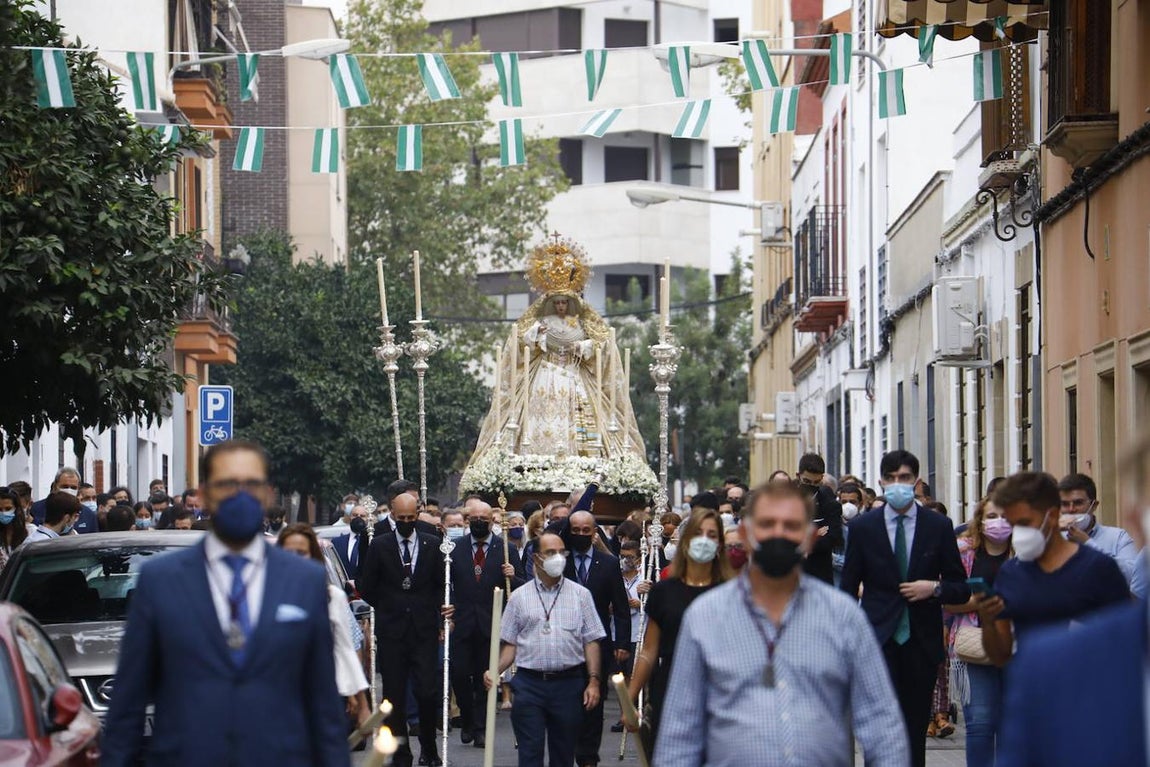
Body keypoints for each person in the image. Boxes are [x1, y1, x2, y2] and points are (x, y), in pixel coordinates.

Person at [101, 439, 348, 767]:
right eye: (227, 483)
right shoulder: (160, 580)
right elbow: (127, 705)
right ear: (203, 495)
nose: (239, 494)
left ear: (268, 493)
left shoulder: (304, 580)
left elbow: (323, 703)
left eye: (251, 484)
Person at [656, 482, 910, 766]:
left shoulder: (843, 617)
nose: (778, 534)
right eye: (767, 524)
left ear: (809, 538)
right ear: (745, 534)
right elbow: (680, 731)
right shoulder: (705, 617)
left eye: (791, 525)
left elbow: (882, 725)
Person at [840, 449, 971, 767]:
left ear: (916, 481)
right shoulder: (863, 528)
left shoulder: (938, 526)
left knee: (914, 732)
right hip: (878, 642)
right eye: (893, 479)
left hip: (921, 642)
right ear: (882, 482)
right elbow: (846, 589)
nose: (899, 484)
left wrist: (934, 588)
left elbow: (959, 586)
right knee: (878, 730)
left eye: (906, 478)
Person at [467, 239, 645, 462]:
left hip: (575, 375)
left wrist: (582, 346)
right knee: (537, 419)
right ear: (551, 302)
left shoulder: (582, 322)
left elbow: (602, 344)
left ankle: (580, 457)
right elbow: (520, 341)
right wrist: (537, 335)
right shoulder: (542, 321)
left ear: (571, 302)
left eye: (564, 302)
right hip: (545, 373)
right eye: (557, 302)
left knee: (583, 419)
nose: (561, 306)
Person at [976, 471, 1129, 667]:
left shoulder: (1098, 569)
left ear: (1053, 516)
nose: (1018, 532)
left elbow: (1126, 643)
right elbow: (1001, 656)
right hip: (1029, 689)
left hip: (1084, 688)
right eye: (1012, 524)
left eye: (1024, 522)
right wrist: (988, 622)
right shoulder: (1010, 573)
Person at [483, 532, 604, 767]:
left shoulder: (581, 596)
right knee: (530, 752)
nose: (558, 557)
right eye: (551, 553)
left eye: (562, 552)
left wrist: (594, 681)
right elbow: (510, 644)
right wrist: (494, 670)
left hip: (568, 684)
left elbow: (592, 641)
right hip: (530, 685)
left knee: (563, 754)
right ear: (536, 557)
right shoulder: (518, 597)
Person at [358, 492, 452, 767]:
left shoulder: (432, 543)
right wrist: (389, 606)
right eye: (402, 519)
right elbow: (367, 585)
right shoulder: (380, 545)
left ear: (418, 514)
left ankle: (429, 748)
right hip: (392, 631)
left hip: (424, 629)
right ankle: (401, 752)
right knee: (394, 695)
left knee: (427, 691)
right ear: (394, 517)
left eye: (412, 518)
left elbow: (441, 583)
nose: (407, 522)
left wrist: (439, 608)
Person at [626, 508, 730, 749]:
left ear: (720, 544)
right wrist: (630, 697)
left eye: (711, 535)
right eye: (697, 533)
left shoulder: (730, 591)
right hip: (672, 685)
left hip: (718, 690)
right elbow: (649, 650)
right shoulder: (665, 591)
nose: (704, 540)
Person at [549, 510, 630, 767]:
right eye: (576, 531)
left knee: (593, 703)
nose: (581, 535)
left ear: (594, 532)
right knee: (567, 701)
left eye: (587, 530)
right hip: (564, 644)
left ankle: (588, 757)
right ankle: (567, 750)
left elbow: (620, 607)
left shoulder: (608, 563)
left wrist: (622, 644)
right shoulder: (559, 562)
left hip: (599, 644)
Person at [277, 524, 370, 731]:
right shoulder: (266, 596)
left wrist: (362, 703)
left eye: (301, 553)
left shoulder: (332, 597)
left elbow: (346, 649)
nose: (295, 559)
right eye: (288, 553)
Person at [941, 498, 1012, 766]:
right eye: (992, 516)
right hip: (975, 644)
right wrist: (980, 602)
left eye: (1005, 515)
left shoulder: (1026, 552)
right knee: (980, 722)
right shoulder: (963, 553)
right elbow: (947, 598)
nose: (998, 522)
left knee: (1013, 723)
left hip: (1018, 645)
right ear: (980, 521)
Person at [449, 499, 523, 748]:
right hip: (461, 623)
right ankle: (467, 718)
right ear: (468, 521)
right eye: (475, 519)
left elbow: (522, 586)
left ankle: (480, 728)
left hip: (492, 623)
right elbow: (443, 583)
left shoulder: (506, 550)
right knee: (459, 674)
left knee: (485, 677)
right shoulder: (455, 548)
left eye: (485, 518)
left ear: (493, 521)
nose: (480, 523)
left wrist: (513, 575)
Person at [1057, 472, 1139, 582]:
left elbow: (1132, 576)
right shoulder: (1053, 538)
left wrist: (1088, 544)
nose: (1071, 509)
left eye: (1078, 503)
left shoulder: (1117, 537)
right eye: (1065, 504)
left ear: (1094, 505)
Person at [796, 452, 844, 584]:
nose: (811, 486)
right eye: (806, 481)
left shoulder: (829, 503)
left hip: (819, 574)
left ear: (821, 479)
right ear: (798, 476)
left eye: (816, 482)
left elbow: (833, 537)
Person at [332, 504, 370, 584]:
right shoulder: (336, 542)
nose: (358, 518)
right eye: (355, 515)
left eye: (362, 516)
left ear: (367, 519)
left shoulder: (372, 542)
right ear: (350, 517)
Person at [0, 487, 29, 570]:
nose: (3, 513)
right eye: (0, 509)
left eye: (8, 509)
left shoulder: (30, 532)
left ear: (16, 509)